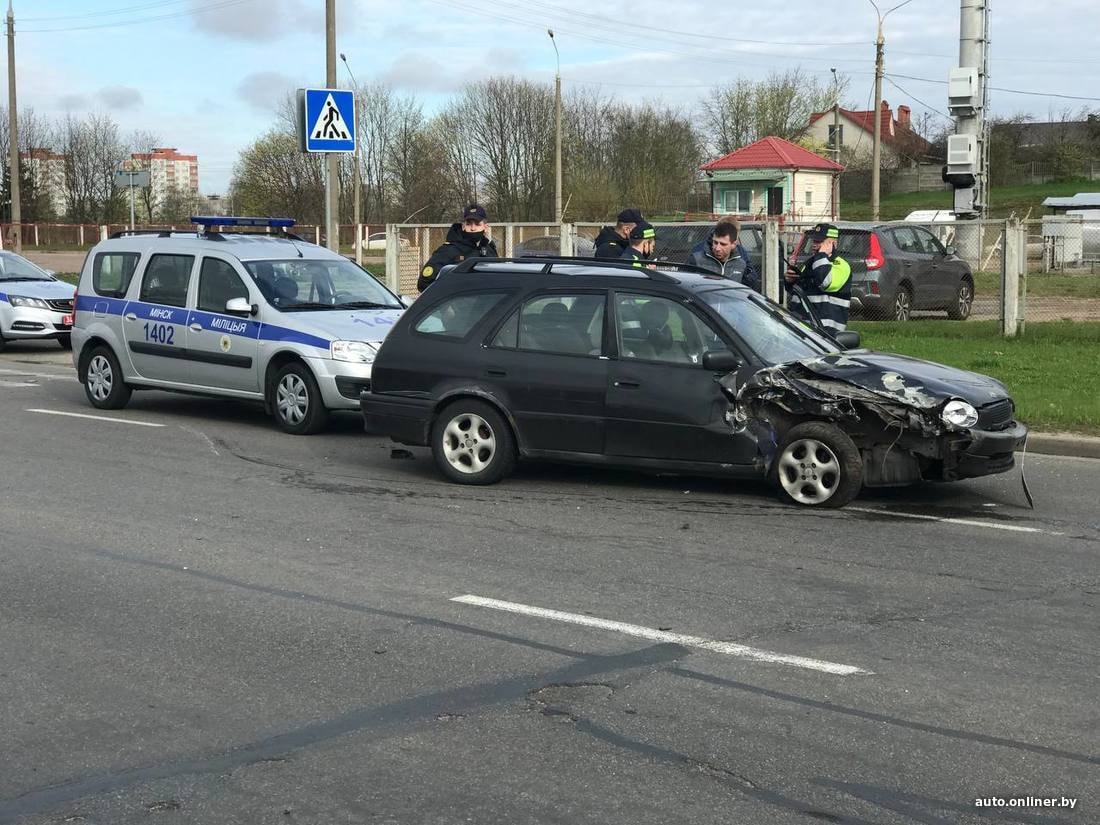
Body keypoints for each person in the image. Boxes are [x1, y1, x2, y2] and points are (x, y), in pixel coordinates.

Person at [785, 223, 851, 333]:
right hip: (804, 329)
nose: (814, 245)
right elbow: (801, 292)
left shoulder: (841, 265)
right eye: (814, 241)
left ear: (833, 243)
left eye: (819, 241)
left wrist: (822, 255)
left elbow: (825, 282)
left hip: (827, 334)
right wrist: (790, 282)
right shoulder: (811, 263)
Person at [417, 204, 499, 293]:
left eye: (477, 224)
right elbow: (424, 283)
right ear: (463, 226)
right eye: (469, 224)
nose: (473, 228)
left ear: (485, 227)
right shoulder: (449, 250)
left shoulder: (489, 250)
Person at [687, 220, 759, 290]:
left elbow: (748, 288)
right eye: (715, 242)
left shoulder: (741, 263)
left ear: (734, 244)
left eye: (723, 244)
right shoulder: (696, 258)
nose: (717, 248)